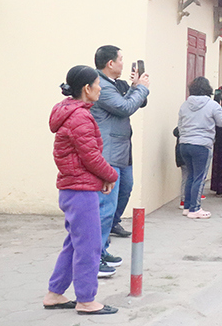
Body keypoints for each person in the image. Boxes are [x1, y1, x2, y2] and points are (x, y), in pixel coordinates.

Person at [43, 65, 119, 315]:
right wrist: (111, 175)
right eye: (97, 83)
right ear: (87, 89)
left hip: (74, 188)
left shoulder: (71, 112)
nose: (100, 88)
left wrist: (103, 177)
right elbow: (91, 156)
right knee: (89, 246)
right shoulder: (79, 117)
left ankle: (55, 293)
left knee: (75, 244)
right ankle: (86, 300)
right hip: (80, 190)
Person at [91, 45, 149, 276]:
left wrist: (136, 88)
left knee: (124, 190)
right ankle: (95, 256)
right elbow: (125, 107)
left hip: (121, 151)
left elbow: (136, 102)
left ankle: (102, 248)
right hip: (108, 153)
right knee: (105, 207)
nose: (124, 64)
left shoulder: (113, 84)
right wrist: (141, 89)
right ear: (110, 64)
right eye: (121, 60)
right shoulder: (101, 86)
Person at [178, 77, 222, 220]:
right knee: (199, 177)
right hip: (202, 145)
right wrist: (219, 106)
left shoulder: (184, 105)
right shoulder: (212, 105)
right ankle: (195, 208)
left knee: (190, 176)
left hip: (184, 144)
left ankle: (187, 207)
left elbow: (180, 125)